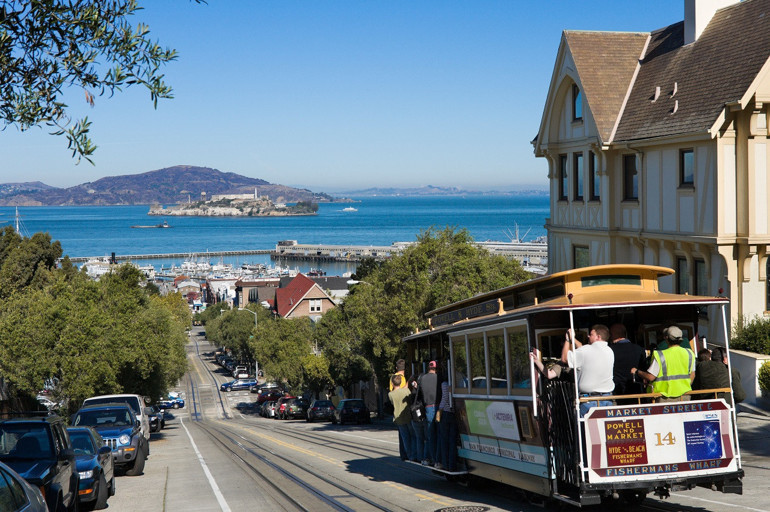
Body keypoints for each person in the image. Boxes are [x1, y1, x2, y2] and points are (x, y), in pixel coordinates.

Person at [561, 324, 614, 416]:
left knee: (587, 425)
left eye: (591, 334)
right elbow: (584, 351)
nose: (588, 336)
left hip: (589, 401)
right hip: (607, 399)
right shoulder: (609, 351)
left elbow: (565, 359)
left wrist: (568, 340)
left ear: (598, 337)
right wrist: (573, 339)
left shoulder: (586, 350)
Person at [633, 326, 695, 402]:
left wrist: (637, 371)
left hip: (664, 397)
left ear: (666, 338)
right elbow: (692, 375)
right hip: (684, 395)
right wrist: (682, 387)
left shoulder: (660, 355)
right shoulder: (689, 353)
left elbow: (650, 377)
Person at [609, 323, 647, 399]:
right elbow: (644, 369)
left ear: (613, 334)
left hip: (617, 391)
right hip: (636, 389)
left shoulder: (609, 351)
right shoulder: (639, 349)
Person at [416, 360, 440, 465]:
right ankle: (438, 459)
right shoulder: (439, 378)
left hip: (428, 408)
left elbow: (419, 394)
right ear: (436, 368)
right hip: (438, 408)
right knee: (439, 435)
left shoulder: (422, 378)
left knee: (430, 435)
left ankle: (430, 458)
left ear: (428, 368)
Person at [388, 375, 416, 461]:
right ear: (400, 382)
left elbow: (392, 403)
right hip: (409, 416)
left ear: (392, 383)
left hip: (399, 418)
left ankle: (410, 455)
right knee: (413, 436)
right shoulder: (406, 391)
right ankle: (415, 454)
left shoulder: (391, 394)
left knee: (405, 438)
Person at [436, 371, 457, 471]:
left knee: (444, 440)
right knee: (452, 440)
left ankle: (445, 463)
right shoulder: (456, 383)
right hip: (454, 413)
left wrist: (439, 410)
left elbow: (444, 398)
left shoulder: (444, 384)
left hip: (446, 413)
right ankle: (452, 464)